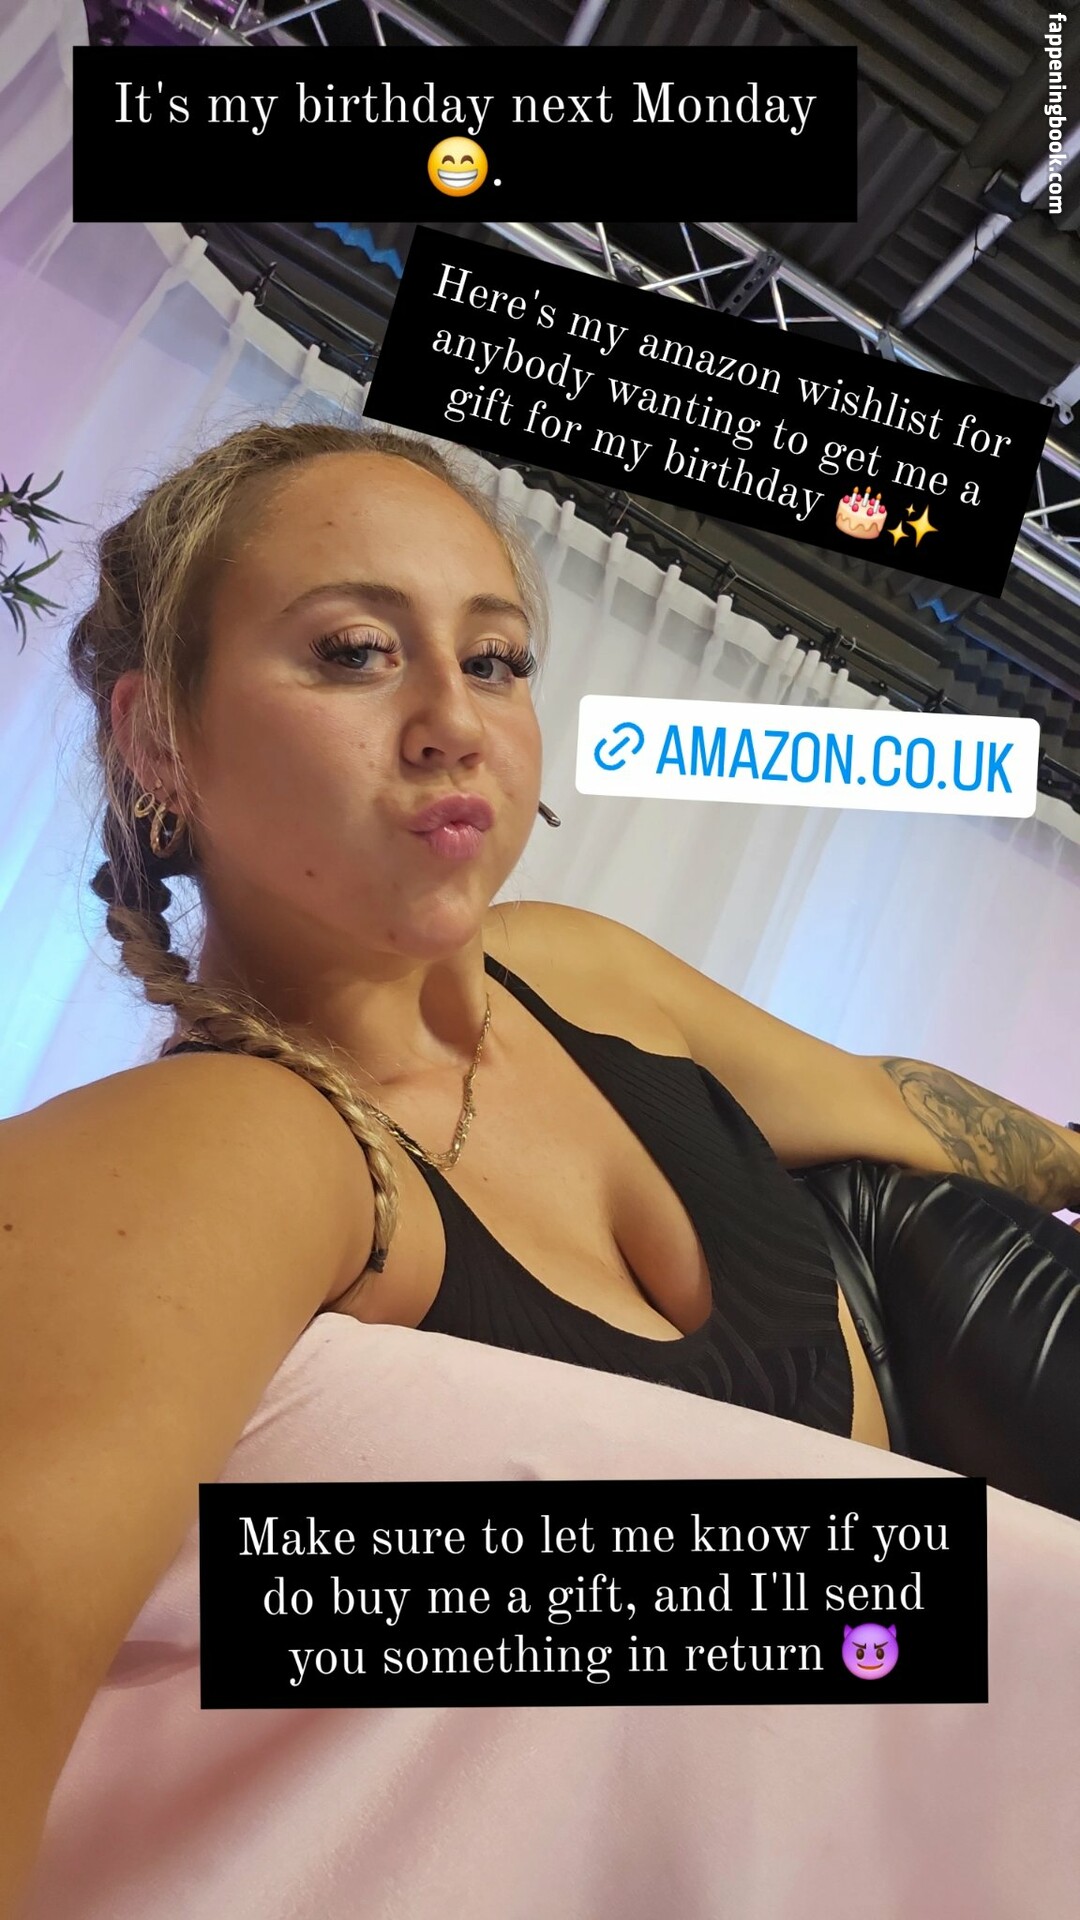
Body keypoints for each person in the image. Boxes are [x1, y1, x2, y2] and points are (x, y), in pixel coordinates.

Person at [3, 417, 1080, 1908]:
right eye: (355, 653)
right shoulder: (231, 1146)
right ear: (157, 740)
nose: (453, 719)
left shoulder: (579, 975)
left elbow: (898, 1109)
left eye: (496, 659)